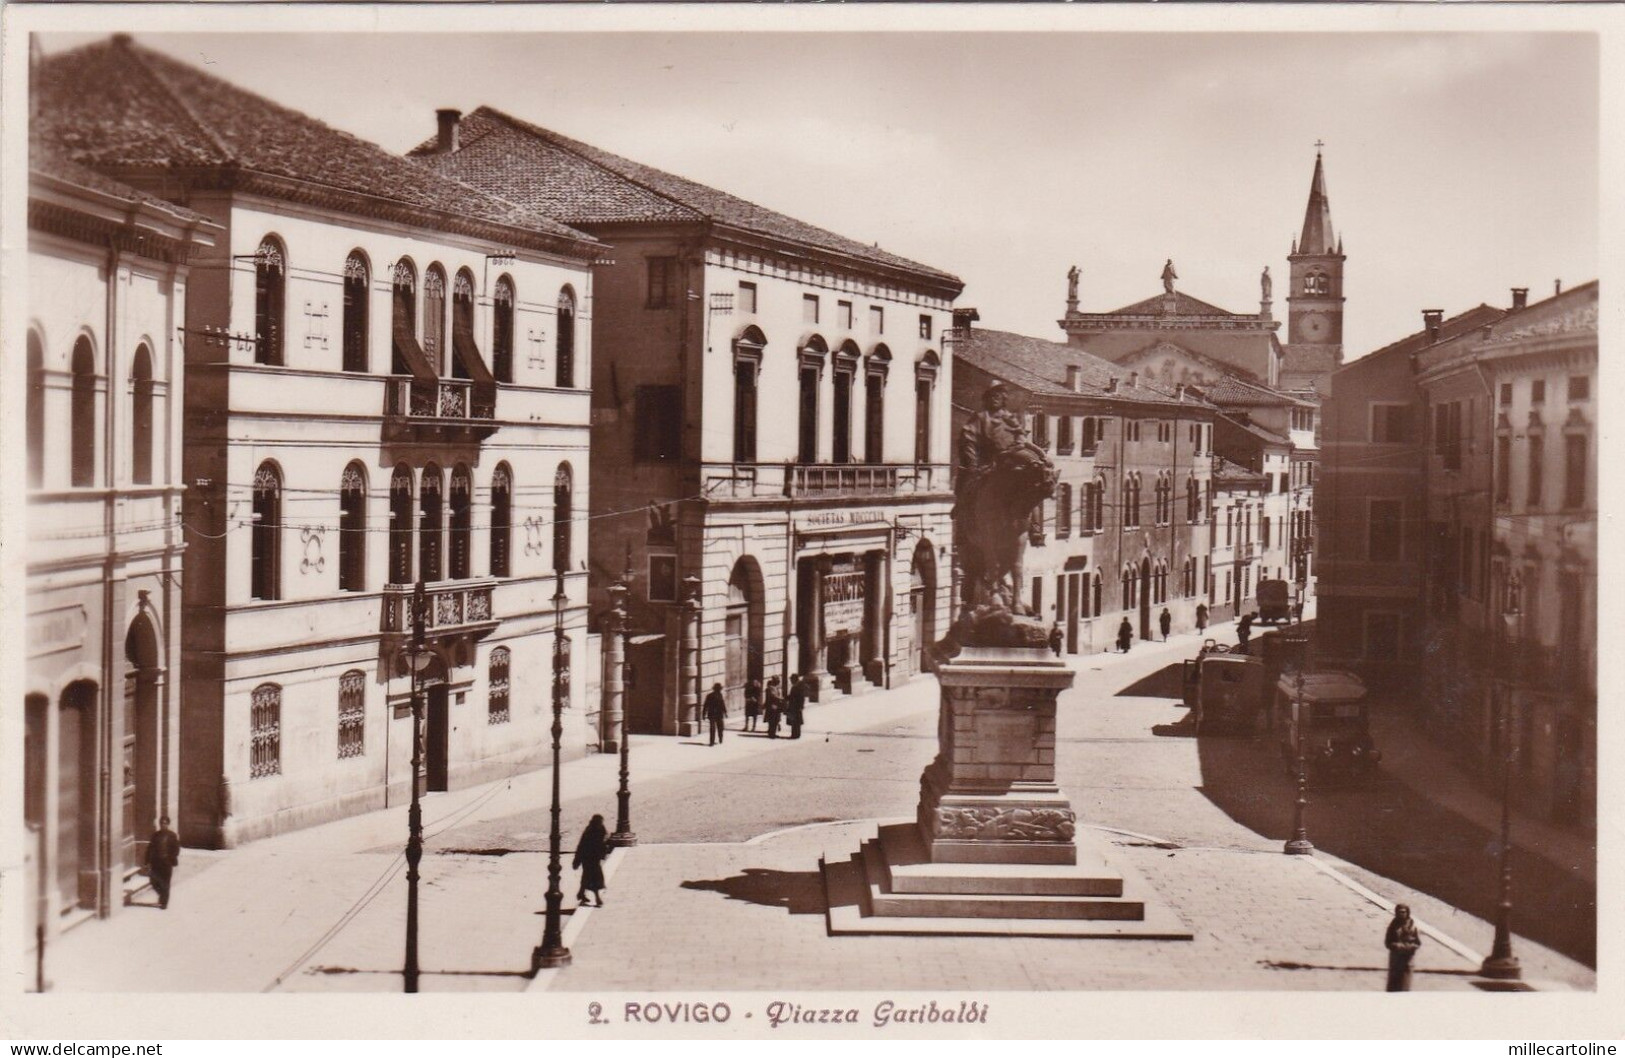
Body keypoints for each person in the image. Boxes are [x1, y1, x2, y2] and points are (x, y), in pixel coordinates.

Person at [573, 814, 610, 907]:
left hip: (594, 858)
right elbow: (581, 846)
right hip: (588, 857)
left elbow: (604, 841)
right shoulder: (589, 831)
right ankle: (597, 898)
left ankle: (581, 893)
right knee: (594, 877)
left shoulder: (601, 829)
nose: (601, 823)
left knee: (587, 876)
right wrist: (577, 860)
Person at [146, 816, 180, 910]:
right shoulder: (155, 835)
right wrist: (147, 861)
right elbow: (150, 848)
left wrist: (171, 858)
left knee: (166, 883)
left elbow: (176, 849)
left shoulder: (172, 835)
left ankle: (164, 903)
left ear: (168, 824)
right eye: (161, 823)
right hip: (156, 863)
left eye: (165, 823)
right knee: (153, 881)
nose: (163, 825)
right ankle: (162, 895)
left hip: (167, 863)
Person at [1385, 904, 1422, 991]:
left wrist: (1408, 947)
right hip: (1396, 959)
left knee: (1405, 985)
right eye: (1399, 912)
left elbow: (1417, 943)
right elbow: (1387, 942)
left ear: (1407, 913)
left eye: (1403, 912)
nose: (1401, 914)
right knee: (1393, 985)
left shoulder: (1413, 927)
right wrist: (1396, 946)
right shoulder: (1393, 926)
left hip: (1407, 960)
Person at [785, 674, 807, 740]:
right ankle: (795, 734)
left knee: (795, 721)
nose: (790, 681)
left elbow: (801, 697)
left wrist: (801, 706)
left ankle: (795, 734)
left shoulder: (797, 686)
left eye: (791, 679)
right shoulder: (797, 686)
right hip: (794, 706)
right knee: (795, 720)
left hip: (796, 706)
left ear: (794, 679)